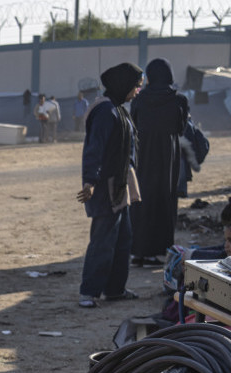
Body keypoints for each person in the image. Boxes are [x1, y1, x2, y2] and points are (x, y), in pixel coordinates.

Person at [77, 63, 143, 309]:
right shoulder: (105, 111)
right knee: (103, 240)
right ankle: (88, 292)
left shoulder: (118, 109)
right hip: (106, 186)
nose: (137, 91)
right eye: (135, 86)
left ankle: (115, 289)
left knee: (123, 238)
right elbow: (95, 149)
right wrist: (90, 181)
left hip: (120, 184)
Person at [129, 58, 189, 268]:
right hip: (167, 156)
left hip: (143, 154)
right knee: (163, 199)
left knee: (141, 199)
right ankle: (156, 251)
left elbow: (132, 124)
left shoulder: (139, 99)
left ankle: (138, 251)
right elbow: (181, 128)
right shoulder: (178, 100)